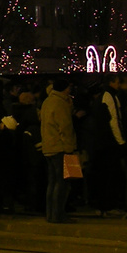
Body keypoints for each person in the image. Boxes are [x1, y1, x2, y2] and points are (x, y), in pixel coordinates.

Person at [40, 77, 77, 223]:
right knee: (62, 183)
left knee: (52, 182)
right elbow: (65, 127)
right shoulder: (60, 103)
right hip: (60, 146)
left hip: (48, 146)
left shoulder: (47, 101)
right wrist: (70, 147)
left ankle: (50, 214)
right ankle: (58, 214)